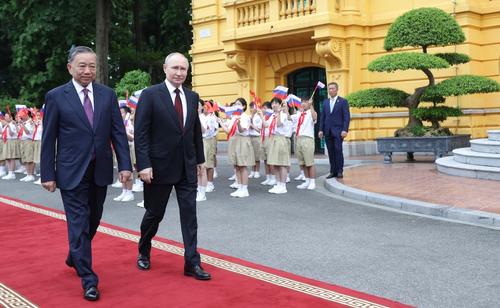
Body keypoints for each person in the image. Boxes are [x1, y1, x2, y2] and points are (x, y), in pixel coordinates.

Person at [41, 46, 132, 301]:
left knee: (94, 220)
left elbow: (118, 134)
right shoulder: (57, 96)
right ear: (70, 67)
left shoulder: (107, 95)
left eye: (92, 66)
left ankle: (75, 255)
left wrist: (125, 165)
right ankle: (89, 279)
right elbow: (49, 139)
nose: (87, 71)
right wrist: (48, 173)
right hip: (71, 171)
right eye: (82, 65)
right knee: (79, 222)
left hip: (100, 169)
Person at [134, 52, 211, 280]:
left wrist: (199, 160)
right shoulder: (150, 95)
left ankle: (192, 263)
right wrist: (144, 165)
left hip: (186, 167)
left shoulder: (192, 96)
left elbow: (194, 131)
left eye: (183, 69)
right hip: (158, 168)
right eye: (175, 68)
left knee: (190, 216)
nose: (179, 73)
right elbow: (141, 134)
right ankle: (144, 250)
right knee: (154, 213)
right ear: (165, 68)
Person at [318, 82, 350, 179]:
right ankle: (333, 171)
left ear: (337, 89)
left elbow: (346, 117)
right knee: (331, 152)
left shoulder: (343, 101)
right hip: (327, 131)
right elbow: (323, 117)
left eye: (333, 88)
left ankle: (340, 171)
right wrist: (320, 130)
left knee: (338, 150)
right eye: (329, 89)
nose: (331, 90)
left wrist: (345, 130)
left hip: (338, 131)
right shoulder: (325, 102)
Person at [293, 98, 318, 189]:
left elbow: (315, 117)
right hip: (299, 138)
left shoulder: (311, 112)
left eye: (305, 102)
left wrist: (311, 106)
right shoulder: (299, 114)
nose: (303, 104)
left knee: (309, 162)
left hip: (307, 139)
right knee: (302, 163)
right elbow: (289, 118)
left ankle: (312, 182)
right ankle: (307, 181)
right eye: (302, 102)